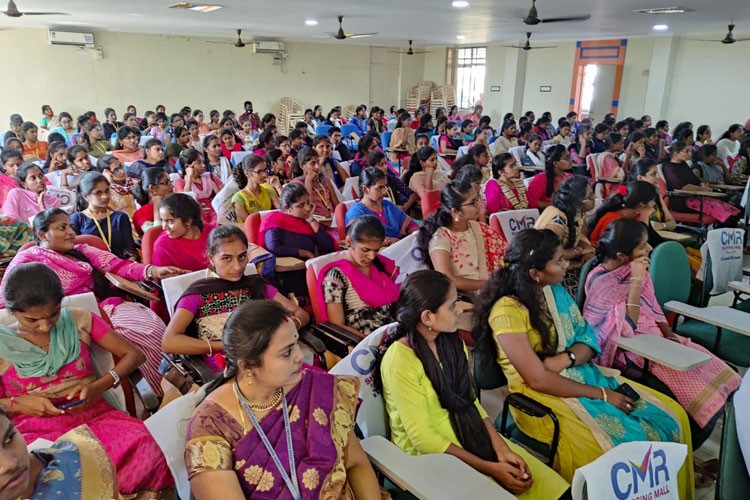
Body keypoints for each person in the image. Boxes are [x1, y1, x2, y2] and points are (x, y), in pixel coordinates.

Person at [472, 228, 695, 493]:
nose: (567, 264)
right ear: (535, 273)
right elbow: (537, 378)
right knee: (616, 449)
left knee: (673, 416)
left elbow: (588, 340)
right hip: (538, 398)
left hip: (580, 373)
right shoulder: (507, 311)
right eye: (558, 261)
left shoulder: (555, 292)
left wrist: (568, 358)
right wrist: (602, 394)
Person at [378, 270, 569, 498]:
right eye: (451, 306)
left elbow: (471, 402)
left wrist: (501, 449)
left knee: (553, 488)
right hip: (430, 458)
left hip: (470, 433)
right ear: (428, 317)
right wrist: (491, 469)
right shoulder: (400, 360)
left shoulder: (451, 343)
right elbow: (423, 439)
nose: (459, 309)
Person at [0, 263, 174, 497]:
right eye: (32, 320)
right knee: (45, 473)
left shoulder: (77, 319)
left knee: (143, 443)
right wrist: (19, 404)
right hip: (33, 427)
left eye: (53, 314)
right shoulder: (2, 344)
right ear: (11, 311)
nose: (45, 326)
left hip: (93, 415)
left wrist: (98, 386)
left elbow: (134, 355)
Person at [186, 299, 381, 499]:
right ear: (247, 366)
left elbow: (357, 464)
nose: (299, 356)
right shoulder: (211, 425)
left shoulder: (314, 390)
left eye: (296, 343)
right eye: (286, 352)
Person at [584, 218, 740, 451]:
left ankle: (689, 447)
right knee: (697, 394)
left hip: (653, 339)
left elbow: (654, 308)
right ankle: (687, 452)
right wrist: (636, 282)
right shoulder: (600, 280)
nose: (649, 249)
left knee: (722, 372)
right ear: (622, 256)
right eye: (643, 246)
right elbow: (624, 328)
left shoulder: (636, 270)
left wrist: (670, 336)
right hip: (628, 351)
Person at [163, 226, 308, 372]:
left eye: (242, 256)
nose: (237, 266)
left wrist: (278, 333)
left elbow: (301, 314)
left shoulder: (256, 286)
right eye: (227, 258)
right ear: (211, 259)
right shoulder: (198, 294)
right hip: (227, 370)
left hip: (269, 357)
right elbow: (169, 341)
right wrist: (225, 346)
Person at [419, 180, 506, 297]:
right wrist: (487, 284)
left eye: (478, 199)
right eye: (473, 202)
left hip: (492, 290)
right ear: (455, 211)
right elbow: (447, 279)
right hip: (466, 299)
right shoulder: (441, 237)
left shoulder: (481, 228)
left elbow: (506, 256)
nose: (479, 205)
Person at [320, 216, 399, 336]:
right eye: (365, 250)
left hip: (394, 333)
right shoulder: (336, 276)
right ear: (349, 242)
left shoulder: (380, 267)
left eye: (376, 250)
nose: (371, 257)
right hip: (365, 343)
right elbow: (337, 326)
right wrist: (371, 344)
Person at [534, 175, 596, 295]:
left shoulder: (578, 213)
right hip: (545, 272)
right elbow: (551, 255)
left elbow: (581, 237)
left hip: (563, 264)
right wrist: (578, 251)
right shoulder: (557, 219)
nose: (594, 198)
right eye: (590, 196)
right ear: (578, 201)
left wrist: (587, 250)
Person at [662, 140, 740, 225]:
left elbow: (695, 181)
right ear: (676, 153)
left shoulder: (683, 164)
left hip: (697, 197)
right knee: (727, 216)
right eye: (687, 151)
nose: (690, 154)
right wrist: (702, 189)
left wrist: (702, 185)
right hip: (683, 200)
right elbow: (683, 187)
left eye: (690, 151)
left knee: (734, 211)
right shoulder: (669, 168)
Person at [69, 172, 136, 259]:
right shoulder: (77, 219)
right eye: (98, 193)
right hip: (92, 268)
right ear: (86, 197)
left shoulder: (120, 217)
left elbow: (129, 249)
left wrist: (130, 264)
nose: (105, 196)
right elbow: (73, 250)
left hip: (120, 266)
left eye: (107, 190)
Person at [346, 168, 417, 244]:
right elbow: (359, 239)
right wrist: (387, 242)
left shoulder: (388, 206)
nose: (384, 192)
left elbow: (412, 225)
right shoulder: (357, 212)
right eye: (379, 188)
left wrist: (414, 235)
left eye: (385, 187)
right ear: (365, 189)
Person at [153, 193, 215, 271]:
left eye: (170, 221)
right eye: (162, 220)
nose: (164, 227)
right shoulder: (163, 245)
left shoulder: (213, 234)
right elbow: (163, 279)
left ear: (188, 221)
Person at [588, 181, 658, 246]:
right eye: (652, 201)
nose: (654, 204)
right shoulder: (613, 220)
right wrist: (645, 217)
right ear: (641, 205)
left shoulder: (635, 215)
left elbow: (654, 241)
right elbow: (635, 245)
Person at [174, 149, 222, 226]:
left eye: (203, 162)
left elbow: (224, 194)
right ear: (187, 166)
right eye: (199, 163)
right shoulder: (181, 182)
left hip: (218, 212)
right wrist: (189, 177)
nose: (203, 165)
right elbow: (183, 202)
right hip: (197, 217)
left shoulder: (210, 177)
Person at [290, 148, 337, 221]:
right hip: (313, 222)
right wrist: (308, 181)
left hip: (332, 219)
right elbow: (309, 207)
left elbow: (337, 204)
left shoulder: (325, 180)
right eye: (313, 163)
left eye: (318, 162)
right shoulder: (297, 183)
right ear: (302, 166)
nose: (317, 167)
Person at [231, 155, 279, 223]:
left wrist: (278, 187)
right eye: (259, 172)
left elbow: (284, 211)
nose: (264, 174)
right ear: (247, 173)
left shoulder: (268, 190)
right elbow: (249, 224)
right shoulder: (239, 198)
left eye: (265, 170)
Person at [526, 144, 573, 210]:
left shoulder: (570, 177)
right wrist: (556, 205)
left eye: (570, 156)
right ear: (555, 163)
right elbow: (532, 203)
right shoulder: (540, 179)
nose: (571, 159)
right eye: (566, 158)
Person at [132, 167, 173, 236]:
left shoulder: (172, 205)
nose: (172, 186)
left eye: (170, 182)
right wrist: (157, 207)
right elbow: (155, 236)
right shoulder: (141, 214)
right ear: (152, 188)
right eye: (167, 183)